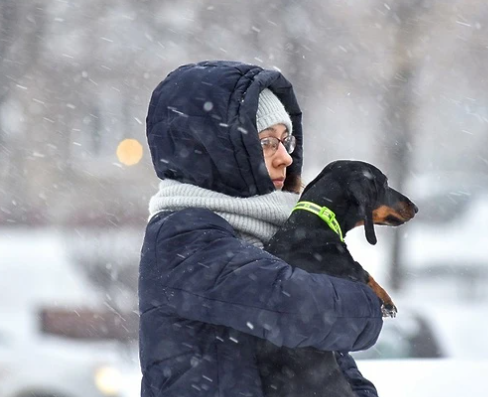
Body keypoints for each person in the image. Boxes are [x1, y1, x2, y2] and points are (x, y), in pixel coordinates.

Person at [139, 60, 384, 397]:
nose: (283, 156)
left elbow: (333, 369)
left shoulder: (276, 236)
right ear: (217, 150)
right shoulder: (183, 237)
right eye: (267, 142)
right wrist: (368, 302)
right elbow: (291, 307)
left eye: (286, 141)